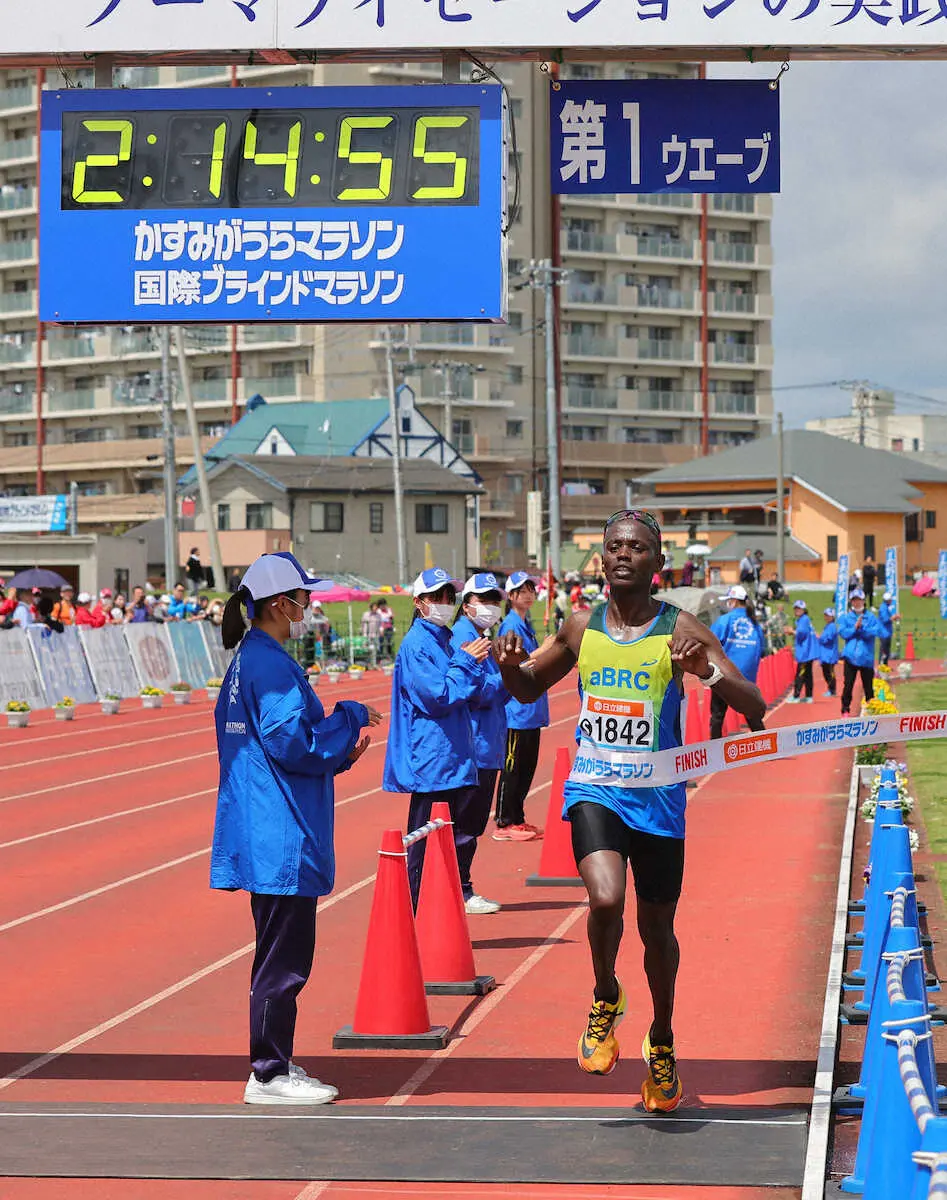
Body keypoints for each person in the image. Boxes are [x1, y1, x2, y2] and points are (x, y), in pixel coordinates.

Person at [496, 509, 765, 1113]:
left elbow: (756, 706)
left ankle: (662, 1039)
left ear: (657, 564)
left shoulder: (680, 627)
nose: (622, 554)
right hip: (595, 790)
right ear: (602, 559)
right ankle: (604, 994)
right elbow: (527, 688)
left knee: (658, 936)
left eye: (637, 548)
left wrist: (707, 669)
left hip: (661, 802)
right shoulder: (579, 627)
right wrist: (508, 666)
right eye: (613, 545)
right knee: (606, 899)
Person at [210, 551, 381, 1106]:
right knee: (284, 957)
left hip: (265, 823)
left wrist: (340, 748)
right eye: (302, 597)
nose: (308, 605)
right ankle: (268, 1072)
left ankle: (275, 1059)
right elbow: (293, 742)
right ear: (281, 604)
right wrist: (348, 716)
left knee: (277, 951)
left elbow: (285, 742)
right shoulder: (270, 665)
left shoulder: (249, 660)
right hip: (279, 830)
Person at [382, 567, 491, 908]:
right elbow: (438, 696)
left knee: (447, 843)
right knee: (424, 849)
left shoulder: (443, 640)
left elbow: (468, 692)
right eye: (436, 597)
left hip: (452, 758)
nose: (444, 603)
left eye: (449, 597)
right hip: (433, 762)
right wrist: (466, 663)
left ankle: (438, 916)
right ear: (418, 602)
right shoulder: (418, 645)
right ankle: (412, 919)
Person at [450, 573, 508, 915]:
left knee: (471, 824)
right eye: (483, 599)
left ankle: (460, 886)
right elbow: (477, 691)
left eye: (493, 600)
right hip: (474, 745)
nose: (489, 606)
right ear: (467, 603)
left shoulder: (479, 635)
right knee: (466, 824)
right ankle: (461, 889)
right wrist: (511, 675)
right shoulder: (464, 637)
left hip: (487, 742)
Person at [493, 571, 549, 842]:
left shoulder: (525, 625)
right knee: (512, 767)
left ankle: (518, 818)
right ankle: (504, 819)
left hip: (531, 709)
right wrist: (545, 651)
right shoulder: (510, 627)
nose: (529, 594)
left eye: (531, 589)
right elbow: (515, 664)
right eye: (522, 590)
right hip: (516, 711)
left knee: (527, 767)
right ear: (512, 596)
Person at [708, 585, 765, 738]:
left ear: (733, 601)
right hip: (747, 679)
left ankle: (715, 748)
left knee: (717, 716)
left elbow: (710, 641)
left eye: (729, 600)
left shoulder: (725, 620)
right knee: (752, 715)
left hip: (725, 676)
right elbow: (763, 650)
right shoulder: (754, 622)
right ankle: (766, 744)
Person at [838, 589, 882, 715]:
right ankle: (845, 710)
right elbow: (843, 633)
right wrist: (854, 628)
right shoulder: (846, 617)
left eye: (859, 600)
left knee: (868, 687)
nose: (857, 603)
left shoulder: (871, 617)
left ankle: (871, 710)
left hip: (866, 657)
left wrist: (862, 628)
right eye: (854, 600)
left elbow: (875, 632)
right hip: (850, 657)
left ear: (864, 601)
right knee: (848, 685)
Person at [790, 599, 818, 703]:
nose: (797, 610)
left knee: (800, 674)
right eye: (796, 608)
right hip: (808, 651)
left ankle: (796, 696)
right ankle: (809, 696)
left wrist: (792, 632)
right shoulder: (804, 620)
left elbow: (801, 633)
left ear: (803, 610)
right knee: (807, 674)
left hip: (806, 652)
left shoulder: (803, 620)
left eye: (799, 608)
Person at [818, 607, 840, 698]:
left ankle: (832, 690)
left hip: (830, 654)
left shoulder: (832, 627)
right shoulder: (827, 626)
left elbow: (828, 638)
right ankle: (830, 689)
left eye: (828, 616)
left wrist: (820, 638)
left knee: (830, 672)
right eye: (825, 615)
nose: (826, 617)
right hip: (825, 654)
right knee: (825, 672)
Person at [877, 591, 897, 665]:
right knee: (884, 651)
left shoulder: (885, 607)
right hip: (884, 632)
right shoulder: (883, 608)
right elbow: (885, 620)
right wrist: (893, 617)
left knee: (886, 651)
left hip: (887, 632)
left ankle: (885, 665)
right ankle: (882, 666)